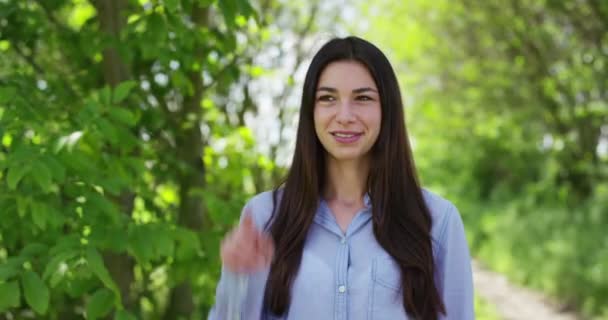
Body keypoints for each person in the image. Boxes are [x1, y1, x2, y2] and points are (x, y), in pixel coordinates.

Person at [208, 36, 474, 320]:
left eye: (363, 98)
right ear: (311, 111)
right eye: (328, 98)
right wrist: (236, 279)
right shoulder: (264, 216)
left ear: (388, 109)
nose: (344, 116)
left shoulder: (438, 220)